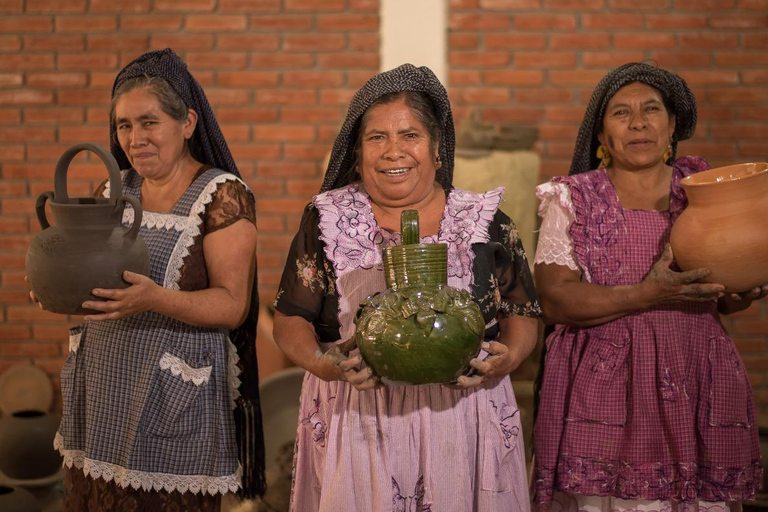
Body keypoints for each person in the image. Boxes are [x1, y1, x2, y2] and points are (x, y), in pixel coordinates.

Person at [272, 63, 541, 511]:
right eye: (377, 137)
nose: (393, 151)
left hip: (464, 415)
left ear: (437, 149)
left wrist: (507, 358)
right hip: (358, 415)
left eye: (410, 135)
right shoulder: (329, 221)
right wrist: (326, 365)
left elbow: (523, 315)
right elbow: (289, 319)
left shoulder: (484, 223)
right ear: (357, 154)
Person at [531, 62, 764, 511]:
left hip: (695, 370)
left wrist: (740, 291)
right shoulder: (572, 199)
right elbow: (556, 301)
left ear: (672, 126)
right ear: (601, 135)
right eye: (621, 113)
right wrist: (650, 294)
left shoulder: (701, 194)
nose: (638, 122)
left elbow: (719, 296)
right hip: (606, 387)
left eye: (651, 109)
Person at [41, 48, 265, 511]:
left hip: (174, 398)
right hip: (104, 392)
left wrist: (155, 299)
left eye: (149, 122)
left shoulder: (222, 196)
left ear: (186, 123)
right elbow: (91, 280)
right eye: (123, 125)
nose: (134, 138)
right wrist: (55, 283)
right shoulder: (114, 190)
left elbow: (232, 305)